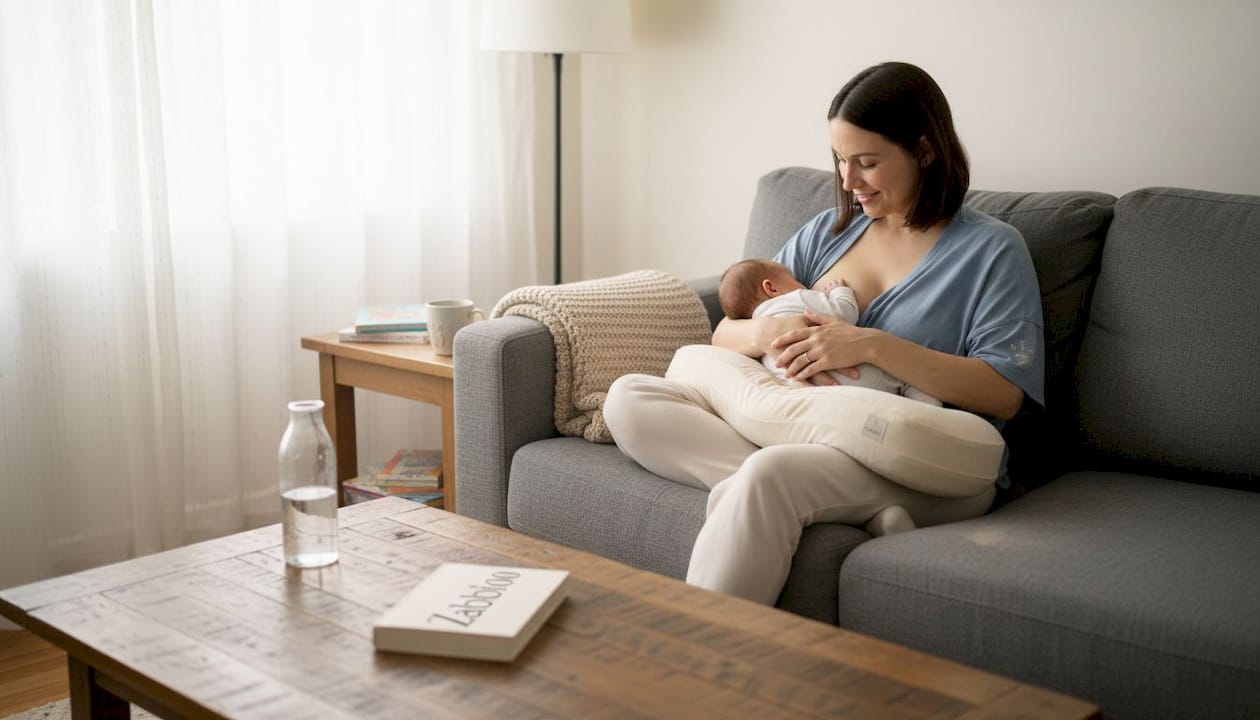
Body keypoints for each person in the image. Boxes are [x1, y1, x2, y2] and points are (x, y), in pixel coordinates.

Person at [602, 61, 1045, 606]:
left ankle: (706, 659)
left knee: (769, 475)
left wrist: (871, 344)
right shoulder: (829, 232)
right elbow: (727, 334)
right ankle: (840, 506)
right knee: (630, 399)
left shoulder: (993, 250)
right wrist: (768, 335)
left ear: (925, 151)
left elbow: (1002, 394)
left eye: (867, 163)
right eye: (839, 160)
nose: (847, 181)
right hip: (808, 427)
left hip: (925, 460)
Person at [718, 257, 941, 405]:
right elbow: (844, 313)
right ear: (771, 287)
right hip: (853, 379)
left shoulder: (756, 317)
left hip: (802, 394)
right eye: (793, 278)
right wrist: (840, 292)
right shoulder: (798, 298)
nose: (801, 282)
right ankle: (933, 417)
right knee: (911, 382)